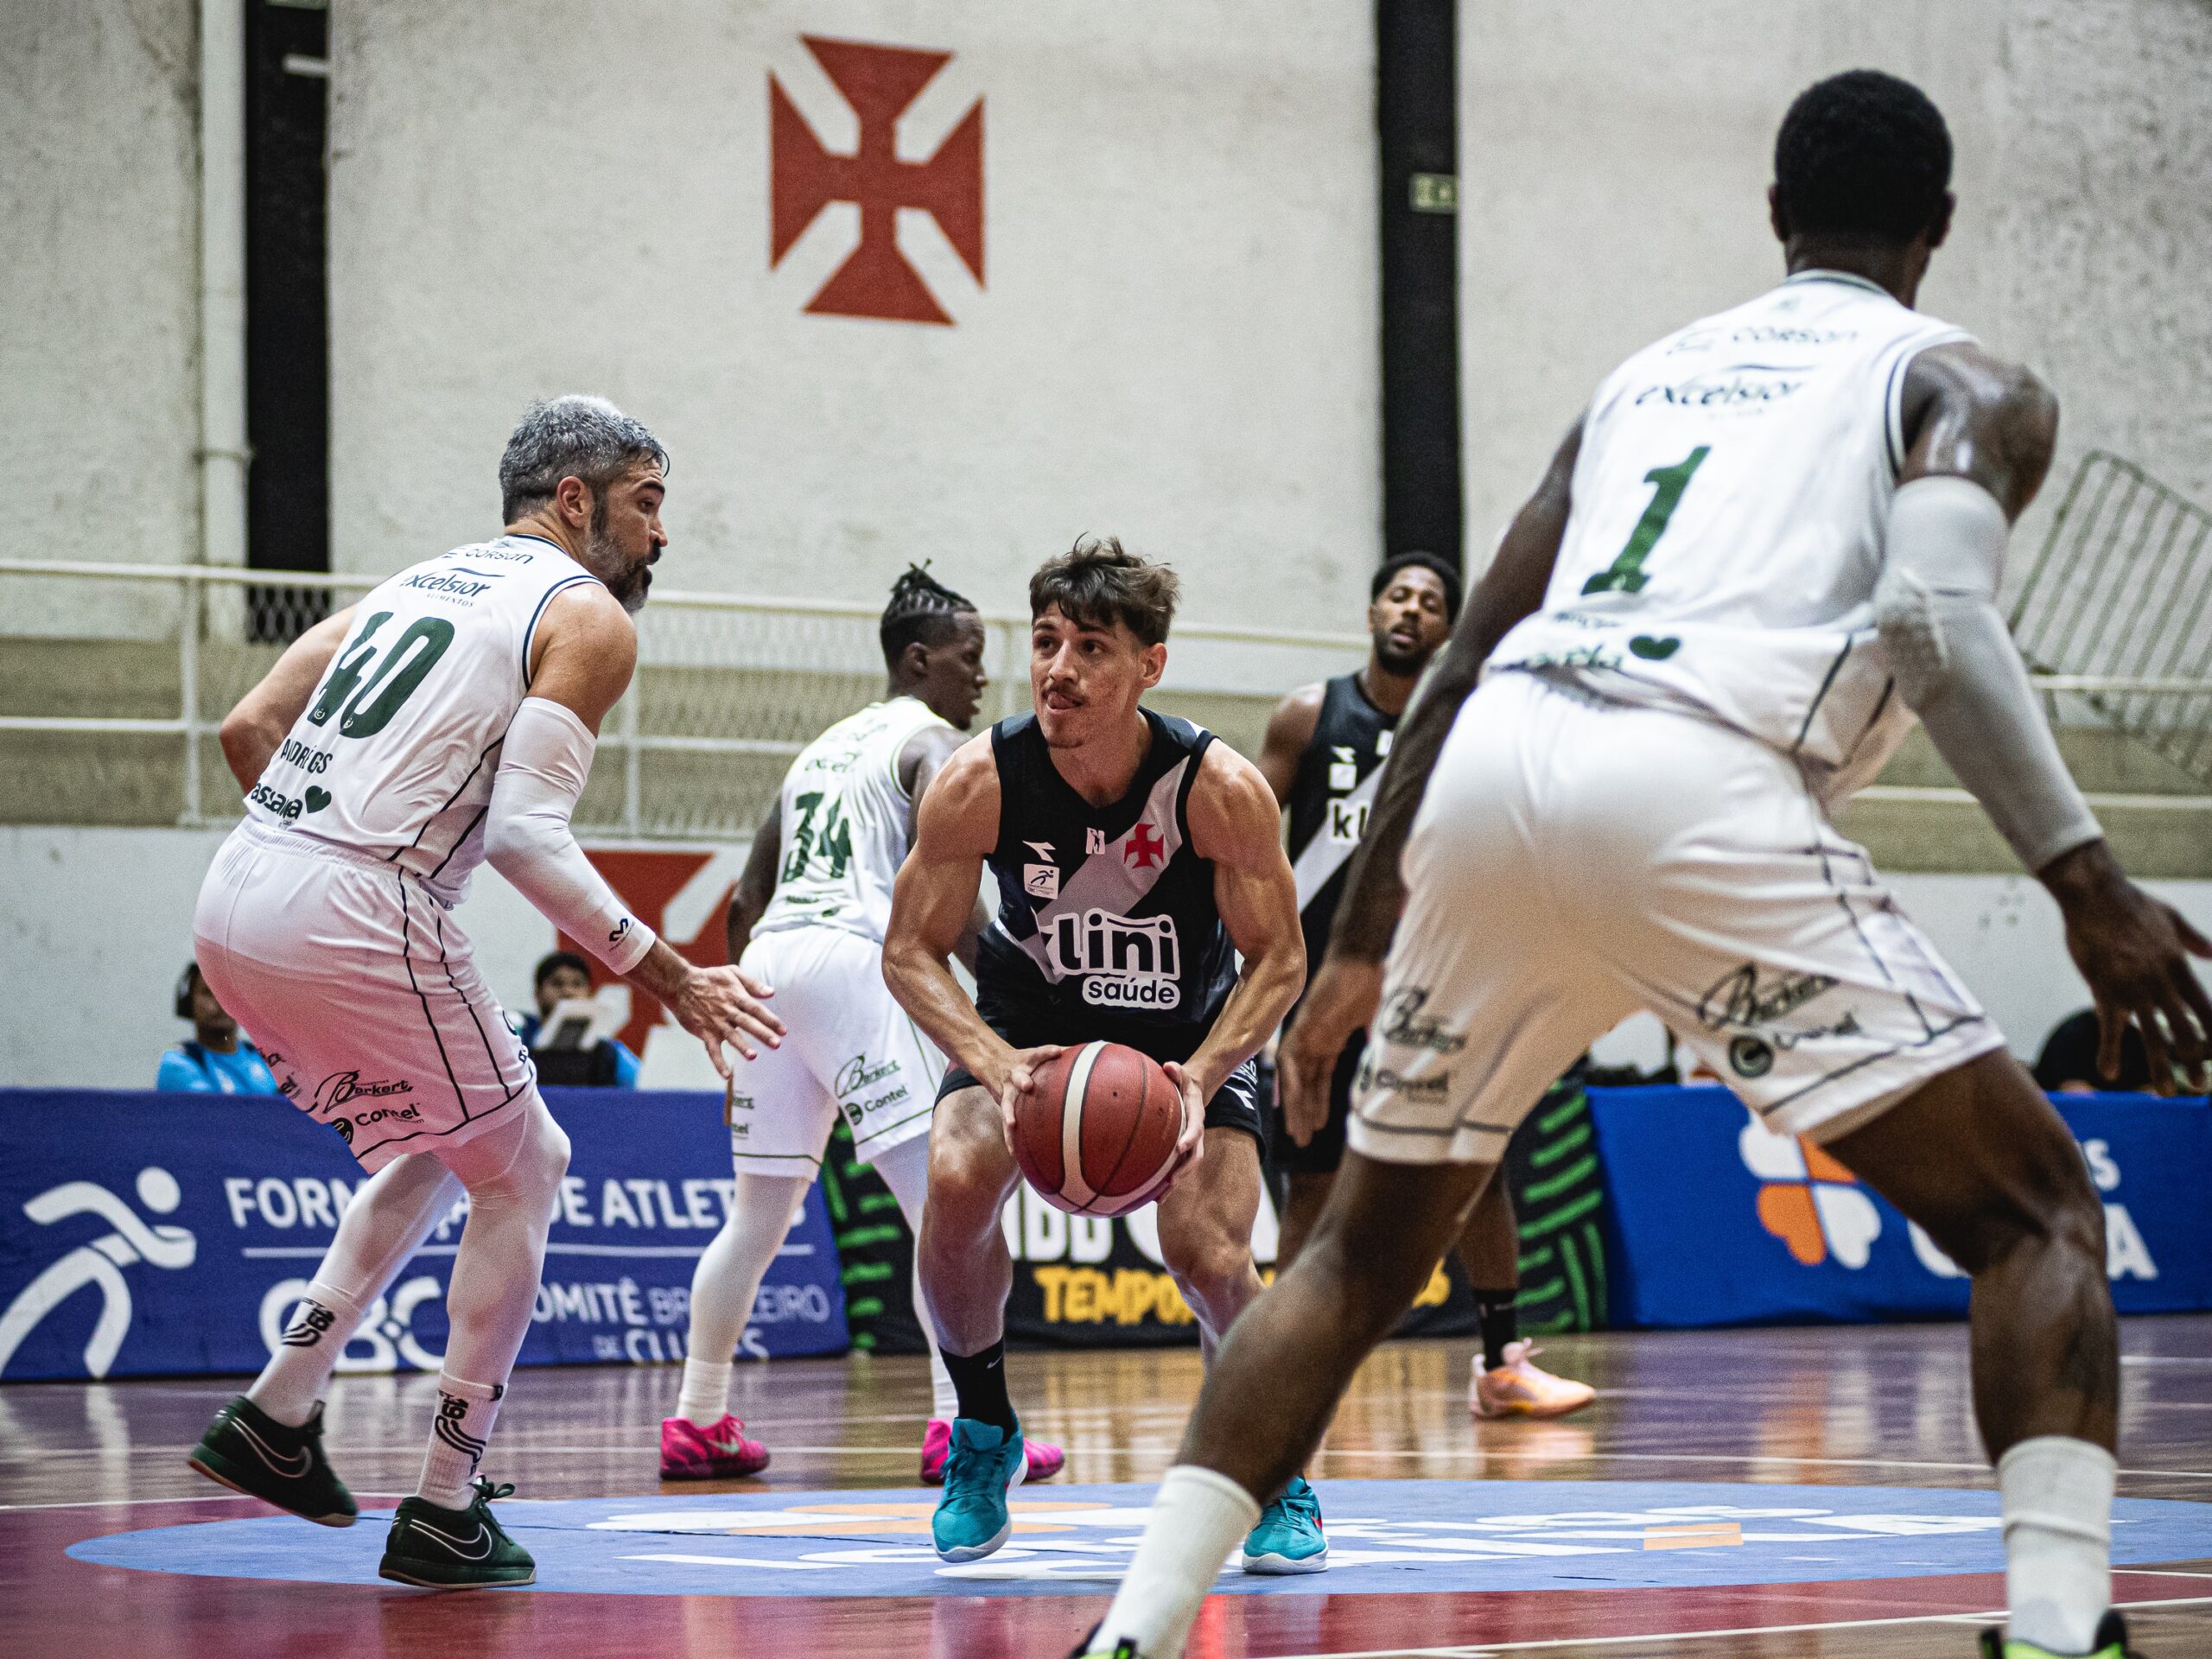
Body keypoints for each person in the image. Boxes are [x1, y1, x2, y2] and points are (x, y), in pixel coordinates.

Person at [1077, 71, 2210, 1659]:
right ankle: (2059, 1627)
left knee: (1349, 1263)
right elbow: (1935, 615)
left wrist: (1361, 947)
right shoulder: (1965, 384)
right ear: (1940, 225)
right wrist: (2086, 881)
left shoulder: (1642, 385)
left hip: (1495, 778)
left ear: (1774, 213)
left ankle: (1133, 1632)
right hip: (1698, 778)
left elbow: (1461, 662)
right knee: (2038, 1218)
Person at [183, 397, 781, 1589]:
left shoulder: (410, 585)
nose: (661, 535)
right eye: (648, 504)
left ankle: (279, 1409)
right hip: (358, 902)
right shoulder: (586, 614)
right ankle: (445, 1505)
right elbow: (522, 836)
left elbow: (250, 726)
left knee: (444, 1138)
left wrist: (322, 858)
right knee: (528, 1165)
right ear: (576, 499)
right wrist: (668, 974)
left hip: (237, 896)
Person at [883, 537, 1317, 1570]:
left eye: (1090, 648)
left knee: (1208, 1255)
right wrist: (990, 1059)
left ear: (1149, 665)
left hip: (1184, 1041)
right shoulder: (979, 778)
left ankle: (1271, 1466)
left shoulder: (1216, 786)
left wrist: (1202, 1076)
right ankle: (983, 1429)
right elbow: (907, 952)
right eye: (1045, 642)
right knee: (953, 1177)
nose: (1059, 669)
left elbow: (1280, 959)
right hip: (1031, 1032)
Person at [661, 565, 1065, 1488]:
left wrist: (743, 1017)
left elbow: (745, 901)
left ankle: (697, 1419)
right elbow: (948, 907)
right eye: (969, 657)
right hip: (854, 961)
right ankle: (960, 1425)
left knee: (756, 1217)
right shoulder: (934, 744)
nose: (981, 677)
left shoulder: (817, 752)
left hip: (768, 965)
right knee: (946, 1208)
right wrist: (1022, 1003)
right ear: (919, 660)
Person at [1257, 551, 1594, 1420]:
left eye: (1431, 602)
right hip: (1323, 993)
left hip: (1430, 986)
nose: (1411, 609)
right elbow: (1246, 843)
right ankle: (1289, 1367)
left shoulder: (1465, 732)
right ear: (1372, 612)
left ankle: (1501, 1366)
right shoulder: (1307, 717)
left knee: (1474, 1169)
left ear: (1447, 628)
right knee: (1313, 1182)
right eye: (1397, 596)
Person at [516, 950, 640, 1087]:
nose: (568, 992)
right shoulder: (517, 1041)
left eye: (577, 984)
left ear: (590, 994)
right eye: (557, 983)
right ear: (537, 994)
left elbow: (645, 1087)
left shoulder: (610, 1052)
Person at [156, 961, 279, 1095]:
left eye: (229, 992)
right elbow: (211, 1108)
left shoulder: (267, 1059)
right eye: (209, 992)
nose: (221, 1001)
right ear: (189, 1001)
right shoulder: (177, 1063)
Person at [2034, 1009, 2154, 1095]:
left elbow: (2150, 1090)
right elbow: (2075, 1092)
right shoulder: (2072, 1034)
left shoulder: (2135, 1039)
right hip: (2061, 1117)